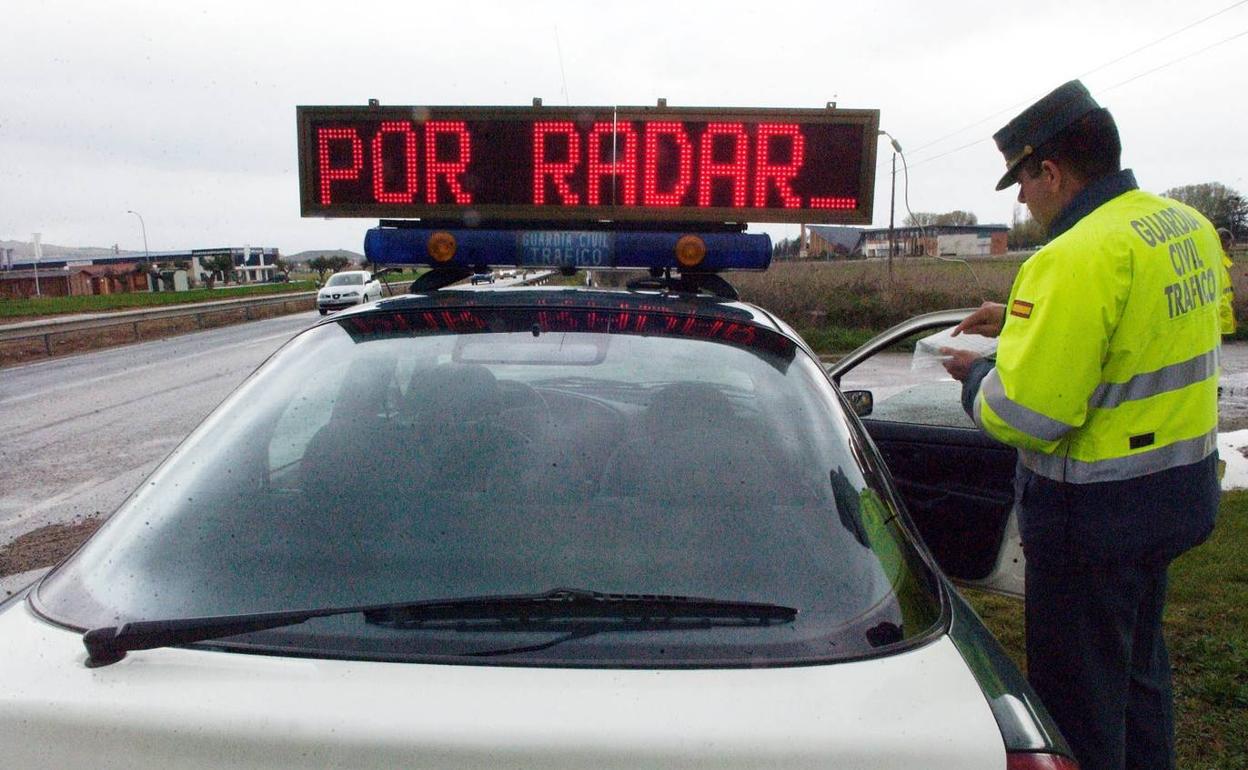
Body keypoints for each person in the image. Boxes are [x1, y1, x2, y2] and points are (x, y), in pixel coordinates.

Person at [941, 80, 1222, 770]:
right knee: (1137, 677)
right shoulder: (1185, 226)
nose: (1021, 201)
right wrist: (1017, 320)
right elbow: (1137, 335)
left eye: (1022, 181)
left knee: (1079, 707)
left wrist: (975, 376)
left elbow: (1029, 415)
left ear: (1051, 171)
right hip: (1175, 497)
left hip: (1092, 518)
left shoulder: (1067, 259)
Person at [1218, 227, 1236, 335]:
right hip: (1221, 309)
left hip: (1224, 307)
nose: (1230, 247)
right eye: (1229, 244)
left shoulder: (1221, 259)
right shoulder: (1218, 259)